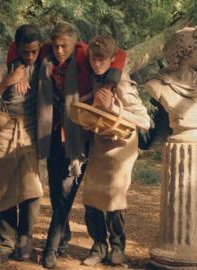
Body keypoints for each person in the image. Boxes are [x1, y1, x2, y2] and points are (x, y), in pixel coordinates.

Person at [33, 22, 126, 269]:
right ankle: (63, 239)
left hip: (77, 139)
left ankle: (50, 249)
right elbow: (16, 49)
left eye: (64, 45)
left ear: (75, 44)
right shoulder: (45, 53)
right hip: (51, 134)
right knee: (56, 194)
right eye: (56, 45)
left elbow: (120, 56)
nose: (60, 50)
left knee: (65, 195)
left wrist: (109, 83)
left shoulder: (84, 54)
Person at [70, 35, 150, 266]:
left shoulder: (121, 82)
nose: (97, 64)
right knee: (91, 195)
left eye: (102, 60)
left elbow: (144, 121)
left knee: (113, 197)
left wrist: (113, 107)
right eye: (94, 59)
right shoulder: (94, 77)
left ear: (112, 59)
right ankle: (98, 246)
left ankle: (118, 248)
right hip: (100, 141)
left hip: (122, 146)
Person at [0, 24, 43, 263]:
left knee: (31, 190)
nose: (30, 56)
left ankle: (24, 239)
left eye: (35, 51)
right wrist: (7, 81)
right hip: (5, 129)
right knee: (2, 187)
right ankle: (6, 241)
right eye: (26, 52)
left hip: (31, 133)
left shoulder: (42, 68)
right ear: (16, 48)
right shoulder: (4, 67)